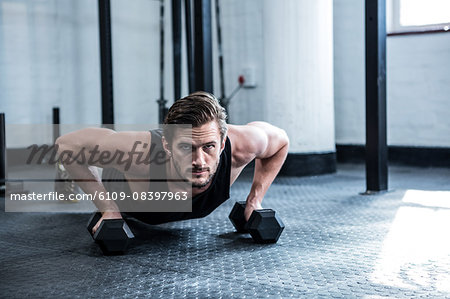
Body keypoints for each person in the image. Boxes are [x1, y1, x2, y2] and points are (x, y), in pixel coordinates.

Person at [56, 92, 289, 234]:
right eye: (187, 148)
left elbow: (280, 142)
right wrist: (107, 207)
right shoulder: (140, 155)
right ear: (168, 146)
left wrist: (255, 200)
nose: (199, 161)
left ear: (222, 143)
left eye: (208, 146)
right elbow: (65, 145)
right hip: (121, 182)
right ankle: (64, 175)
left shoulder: (241, 146)